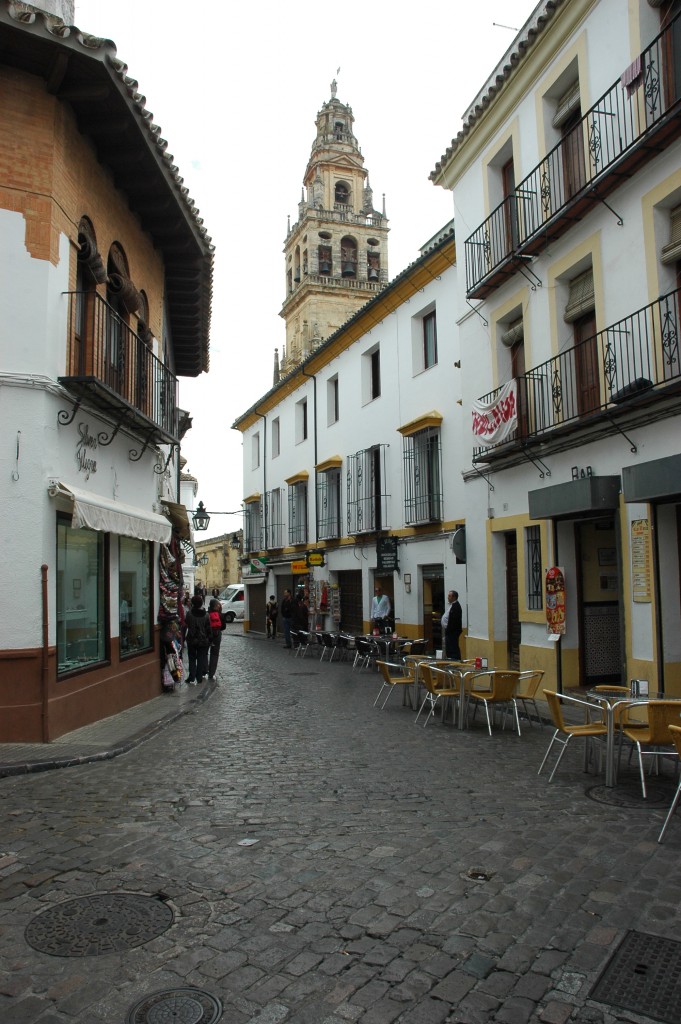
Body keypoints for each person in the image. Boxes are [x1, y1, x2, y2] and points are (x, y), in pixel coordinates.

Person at [183, 594, 212, 685]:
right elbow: (208, 629)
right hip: (203, 640)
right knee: (200, 658)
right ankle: (199, 677)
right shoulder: (206, 615)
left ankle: (191, 677)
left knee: (192, 658)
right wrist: (209, 639)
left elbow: (186, 624)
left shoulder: (189, 614)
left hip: (192, 639)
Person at [442, 589, 463, 660]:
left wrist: (449, 629)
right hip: (449, 631)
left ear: (454, 597)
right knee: (449, 648)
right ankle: (450, 659)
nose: (448, 597)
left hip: (452, 632)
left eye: (449, 596)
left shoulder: (456, 607)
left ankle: (454, 660)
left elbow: (454, 621)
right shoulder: (452, 605)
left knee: (453, 648)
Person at [207, 597, 224, 681]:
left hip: (207, 635)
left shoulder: (207, 614)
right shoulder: (220, 615)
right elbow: (223, 626)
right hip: (217, 635)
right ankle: (211, 673)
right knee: (214, 654)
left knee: (204, 653)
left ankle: (204, 670)